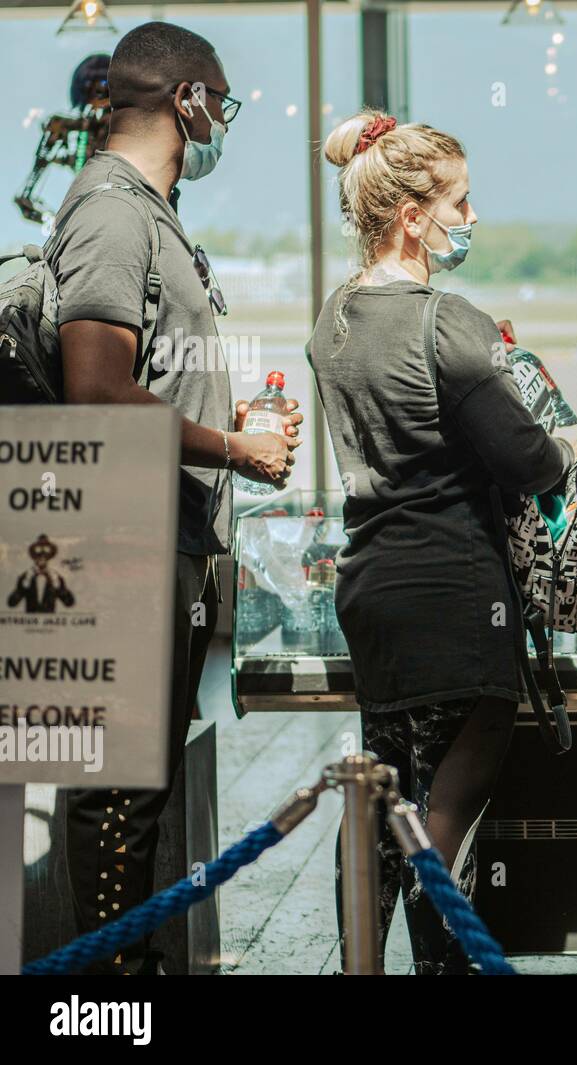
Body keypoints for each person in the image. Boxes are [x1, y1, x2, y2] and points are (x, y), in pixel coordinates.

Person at [309, 110, 577, 974]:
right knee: (444, 819)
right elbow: (526, 460)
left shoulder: (334, 321)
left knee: (381, 813)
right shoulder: (448, 322)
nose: (471, 217)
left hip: (372, 594)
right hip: (460, 599)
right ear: (411, 217)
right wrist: (568, 445)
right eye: (460, 201)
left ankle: (361, 961)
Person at [48, 22, 301, 976]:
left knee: (141, 782)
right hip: (121, 543)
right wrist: (234, 446)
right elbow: (98, 392)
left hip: (162, 540)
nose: (222, 124)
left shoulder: (150, 213)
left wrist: (235, 420)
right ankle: (112, 993)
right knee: (118, 790)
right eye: (220, 103)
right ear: (186, 100)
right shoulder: (113, 215)